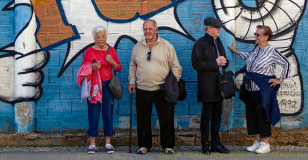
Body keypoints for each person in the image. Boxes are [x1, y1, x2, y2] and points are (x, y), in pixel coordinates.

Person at [228, 25, 289, 154]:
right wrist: (236, 51)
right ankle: (257, 141)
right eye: (255, 34)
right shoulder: (256, 48)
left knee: (262, 115)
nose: (255, 36)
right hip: (250, 88)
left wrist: (280, 79)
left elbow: (286, 63)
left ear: (266, 37)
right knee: (252, 115)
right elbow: (249, 57)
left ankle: (265, 143)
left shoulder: (271, 51)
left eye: (258, 34)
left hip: (263, 89)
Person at [127, 19, 182, 155]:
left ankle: (168, 146)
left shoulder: (167, 46)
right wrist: (131, 81)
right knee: (142, 119)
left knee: (166, 119)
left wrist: (172, 83)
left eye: (150, 29)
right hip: (142, 89)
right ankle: (144, 145)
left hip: (162, 89)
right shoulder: (137, 47)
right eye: (145, 29)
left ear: (156, 29)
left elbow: (176, 66)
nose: (147, 31)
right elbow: (132, 65)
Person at [77, 26, 121, 154]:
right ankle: (92, 144)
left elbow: (118, 68)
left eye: (103, 36)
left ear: (106, 37)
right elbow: (83, 68)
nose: (101, 39)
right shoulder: (89, 51)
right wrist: (93, 67)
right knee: (93, 114)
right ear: (94, 38)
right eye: (98, 37)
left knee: (107, 113)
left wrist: (112, 61)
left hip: (108, 86)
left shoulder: (111, 50)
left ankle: (108, 143)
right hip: (94, 86)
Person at [191, 17, 230, 154]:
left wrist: (225, 61)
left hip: (219, 86)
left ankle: (216, 144)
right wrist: (215, 63)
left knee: (217, 115)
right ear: (209, 28)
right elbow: (196, 64)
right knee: (206, 116)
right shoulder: (200, 44)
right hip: (207, 86)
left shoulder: (218, 42)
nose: (219, 29)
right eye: (217, 27)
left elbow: (223, 61)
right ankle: (205, 144)